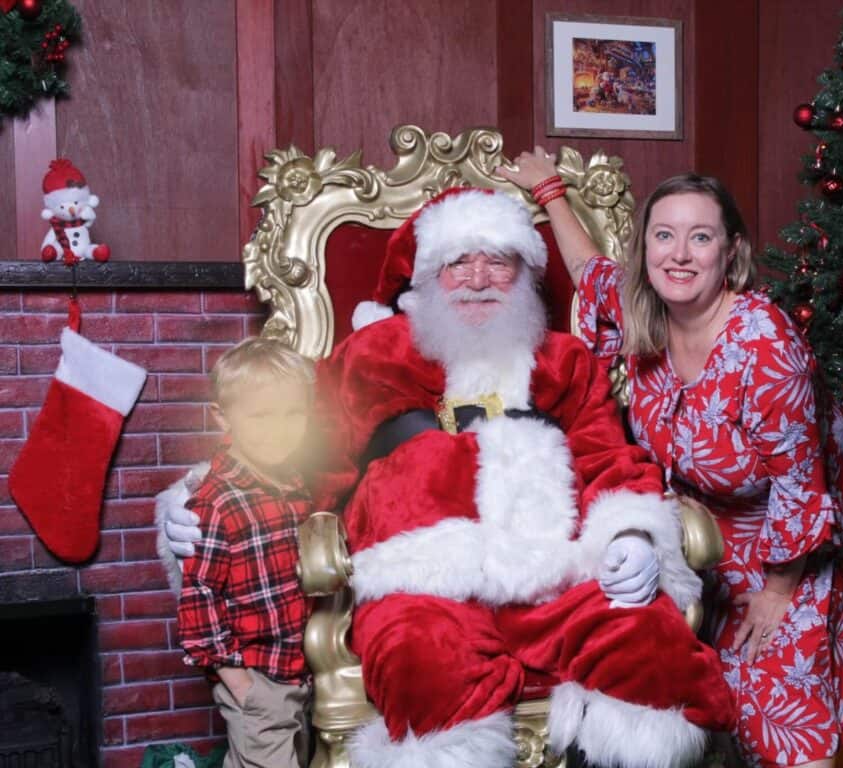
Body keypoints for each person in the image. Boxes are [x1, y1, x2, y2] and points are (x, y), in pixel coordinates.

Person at [161, 187, 735, 768]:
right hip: (418, 585)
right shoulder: (373, 354)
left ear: (525, 272)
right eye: (459, 261)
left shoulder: (565, 361)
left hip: (553, 575)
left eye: (497, 261)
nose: (478, 277)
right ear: (428, 274)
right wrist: (205, 498)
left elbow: (608, 457)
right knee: (424, 664)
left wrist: (633, 534)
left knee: (652, 646)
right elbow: (300, 451)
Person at [498, 151, 843, 768]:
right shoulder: (641, 309)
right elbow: (586, 268)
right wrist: (550, 191)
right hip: (704, 532)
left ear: (730, 251)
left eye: (699, 237)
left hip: (791, 536)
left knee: (776, 701)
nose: (679, 254)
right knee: (703, 706)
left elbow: (799, 484)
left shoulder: (765, 344)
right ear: (645, 248)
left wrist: (778, 590)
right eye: (664, 235)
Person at [175, 337, 316, 768]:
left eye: (295, 413)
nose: (281, 429)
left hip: (296, 670)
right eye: (261, 416)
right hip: (258, 681)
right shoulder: (216, 502)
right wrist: (240, 684)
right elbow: (199, 599)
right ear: (222, 417)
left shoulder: (293, 486)